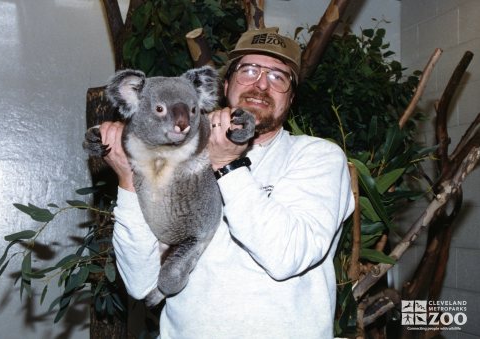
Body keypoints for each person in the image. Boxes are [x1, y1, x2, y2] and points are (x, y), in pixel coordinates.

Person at [99, 27, 354, 338]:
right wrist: (128, 180)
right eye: (248, 70)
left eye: (278, 77)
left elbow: (287, 256)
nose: (261, 84)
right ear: (225, 84)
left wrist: (226, 163)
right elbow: (141, 283)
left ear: (291, 98)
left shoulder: (317, 157)